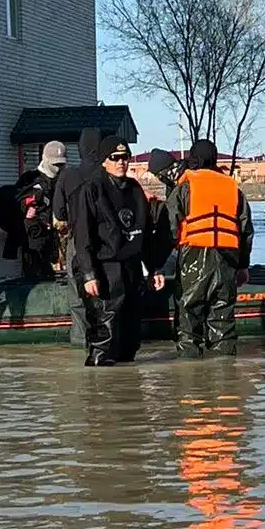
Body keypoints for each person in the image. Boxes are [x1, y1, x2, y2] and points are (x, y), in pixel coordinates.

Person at [72, 136, 165, 366]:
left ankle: (127, 393)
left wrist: (154, 268)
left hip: (131, 266)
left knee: (131, 333)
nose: (121, 162)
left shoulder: (135, 190)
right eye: (115, 158)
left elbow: (145, 233)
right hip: (103, 267)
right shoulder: (91, 189)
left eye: (125, 157)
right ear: (105, 161)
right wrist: (89, 275)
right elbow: (82, 236)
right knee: (105, 332)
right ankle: (100, 385)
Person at [165, 139, 254, 357]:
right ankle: (226, 378)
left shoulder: (185, 187)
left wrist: (161, 262)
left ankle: (191, 379)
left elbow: (170, 226)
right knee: (222, 316)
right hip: (227, 257)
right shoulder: (232, 188)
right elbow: (245, 230)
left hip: (193, 254)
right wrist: (243, 266)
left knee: (189, 315)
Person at [0, 141, 68, 283]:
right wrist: (28, 210)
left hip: (60, 241)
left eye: (61, 164)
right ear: (45, 159)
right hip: (34, 239)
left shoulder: (65, 179)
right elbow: (16, 204)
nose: (57, 169)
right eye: (55, 164)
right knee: (34, 280)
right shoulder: (29, 179)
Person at [53, 127, 102, 345]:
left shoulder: (68, 175)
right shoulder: (107, 174)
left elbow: (59, 212)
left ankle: (81, 341)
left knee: (77, 296)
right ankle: (107, 340)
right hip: (106, 240)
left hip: (76, 239)